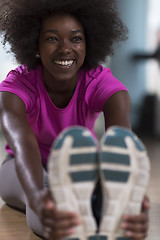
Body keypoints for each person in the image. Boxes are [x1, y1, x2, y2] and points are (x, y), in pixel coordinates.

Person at [0, 0, 150, 239]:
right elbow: (23, 145)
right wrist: (38, 196)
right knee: (45, 197)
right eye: (51, 38)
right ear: (35, 44)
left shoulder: (103, 85)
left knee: (81, 190)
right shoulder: (16, 87)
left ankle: (99, 215)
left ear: (88, 43)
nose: (65, 48)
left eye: (76, 38)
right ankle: (77, 220)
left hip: (79, 166)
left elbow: (121, 147)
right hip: (24, 167)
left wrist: (129, 194)